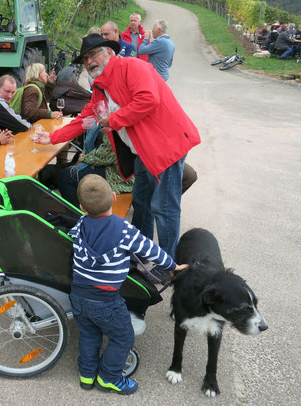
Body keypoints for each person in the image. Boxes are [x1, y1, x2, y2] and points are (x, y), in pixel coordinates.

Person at [34, 34, 200, 266]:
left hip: (166, 146)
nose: (89, 61)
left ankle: (168, 265)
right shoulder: (101, 88)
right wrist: (50, 137)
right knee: (142, 199)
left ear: (110, 52)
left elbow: (147, 99)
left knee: (164, 207)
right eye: (85, 58)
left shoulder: (132, 67)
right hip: (143, 152)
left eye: (93, 54)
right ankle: (140, 253)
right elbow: (83, 121)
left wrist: (113, 119)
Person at [70, 174, 187, 394]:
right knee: (123, 337)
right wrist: (172, 265)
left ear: (82, 207)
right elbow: (150, 250)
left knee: (89, 334)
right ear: (114, 197)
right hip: (106, 301)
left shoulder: (79, 224)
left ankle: (86, 376)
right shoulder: (122, 229)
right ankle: (109, 378)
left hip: (78, 296)